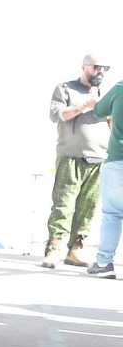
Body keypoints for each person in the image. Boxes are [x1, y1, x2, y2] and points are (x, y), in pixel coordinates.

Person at [43, 54, 108, 267]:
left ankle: (76, 250)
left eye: (104, 68)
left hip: (99, 159)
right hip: (70, 156)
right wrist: (84, 105)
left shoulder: (106, 94)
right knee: (63, 205)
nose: (100, 71)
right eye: (97, 67)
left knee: (88, 208)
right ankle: (53, 250)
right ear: (84, 67)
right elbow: (56, 114)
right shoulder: (66, 89)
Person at [86, 76, 121, 279]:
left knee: (112, 215)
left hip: (117, 160)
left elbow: (99, 111)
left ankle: (104, 263)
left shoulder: (120, 88)